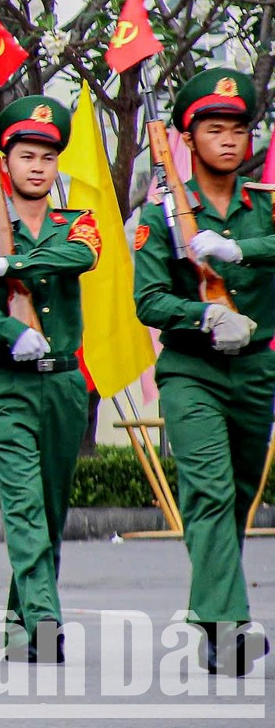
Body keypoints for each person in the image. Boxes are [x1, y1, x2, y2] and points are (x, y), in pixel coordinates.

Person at [132, 69, 275, 676]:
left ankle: (210, 611)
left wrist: (241, 250)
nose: (228, 141)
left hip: (256, 371)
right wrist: (204, 315)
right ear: (188, 140)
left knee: (240, 495)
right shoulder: (161, 213)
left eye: (238, 130)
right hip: (192, 371)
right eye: (213, 129)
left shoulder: (264, 210)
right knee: (211, 491)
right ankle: (229, 624)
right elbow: (148, 300)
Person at [0, 95, 100, 663]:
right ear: (4, 162)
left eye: (47, 156)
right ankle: (42, 618)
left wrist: (10, 266)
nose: (38, 166)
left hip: (63, 384)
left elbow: (80, 258)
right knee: (23, 505)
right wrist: (9, 330)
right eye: (26, 155)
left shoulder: (74, 226)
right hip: (8, 386)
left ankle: (20, 620)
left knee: (51, 507)